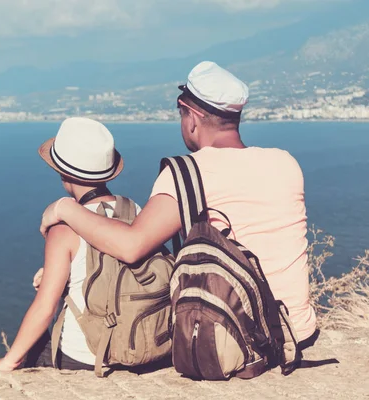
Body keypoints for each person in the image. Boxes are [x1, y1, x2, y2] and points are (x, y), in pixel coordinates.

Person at [38, 61, 318, 349]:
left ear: (192, 118)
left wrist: (65, 208)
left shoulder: (187, 173)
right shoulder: (285, 163)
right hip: (298, 334)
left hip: (238, 343)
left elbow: (131, 246)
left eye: (181, 114)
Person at [0, 117, 141, 374]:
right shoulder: (134, 209)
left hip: (85, 355)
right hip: (138, 342)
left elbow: (46, 308)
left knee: (35, 348)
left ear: (64, 173)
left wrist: (9, 360)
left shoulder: (64, 229)